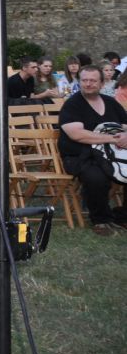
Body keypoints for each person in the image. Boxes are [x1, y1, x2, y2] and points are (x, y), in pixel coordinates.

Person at [58, 65, 127, 235]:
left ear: (102, 83)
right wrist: (113, 138)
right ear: (80, 82)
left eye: (93, 80)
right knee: (96, 176)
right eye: (84, 80)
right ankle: (101, 220)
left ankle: (123, 217)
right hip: (80, 156)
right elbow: (77, 134)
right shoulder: (73, 104)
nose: (88, 84)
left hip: (112, 154)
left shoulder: (111, 103)